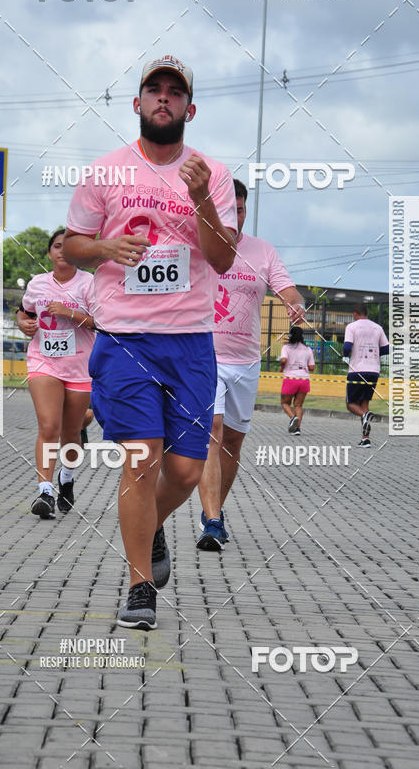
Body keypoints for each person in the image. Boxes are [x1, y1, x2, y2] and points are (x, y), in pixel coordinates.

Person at [63, 55, 237, 630]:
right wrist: (104, 249)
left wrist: (202, 199)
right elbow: (73, 244)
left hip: (189, 341)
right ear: (137, 103)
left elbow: (223, 259)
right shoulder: (105, 172)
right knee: (141, 462)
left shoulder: (212, 173)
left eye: (175, 91)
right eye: (154, 89)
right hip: (125, 338)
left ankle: (150, 524)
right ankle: (141, 586)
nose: (164, 97)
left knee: (184, 472)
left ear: (190, 108)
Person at [196, 179, 305, 552]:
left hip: (245, 362)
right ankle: (213, 521)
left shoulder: (263, 251)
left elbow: (287, 288)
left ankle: (213, 509)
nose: (235, 217)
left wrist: (294, 303)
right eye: (228, 210)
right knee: (212, 431)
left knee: (232, 441)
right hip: (205, 356)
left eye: (240, 210)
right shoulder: (199, 245)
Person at [16, 229, 96, 518]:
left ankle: (67, 477)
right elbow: (24, 311)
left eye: (68, 246)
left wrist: (68, 312)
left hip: (79, 366)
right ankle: (45, 492)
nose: (62, 251)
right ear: (50, 253)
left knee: (71, 433)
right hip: (44, 361)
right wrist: (22, 323)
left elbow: (100, 322)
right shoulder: (38, 283)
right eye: (57, 246)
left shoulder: (89, 283)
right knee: (49, 427)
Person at [343, 303, 389, 447]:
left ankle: (364, 416)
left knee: (350, 404)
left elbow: (347, 347)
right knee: (364, 403)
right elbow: (386, 348)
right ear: (367, 314)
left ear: (355, 314)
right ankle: (365, 439)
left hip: (357, 370)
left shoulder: (352, 327)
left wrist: (345, 355)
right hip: (373, 371)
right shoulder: (378, 327)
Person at [279, 325, 315, 435]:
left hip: (291, 379)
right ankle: (297, 429)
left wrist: (281, 367)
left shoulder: (286, 347)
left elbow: (283, 360)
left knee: (285, 403)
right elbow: (312, 367)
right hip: (304, 380)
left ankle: (293, 417)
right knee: (298, 405)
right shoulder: (307, 349)